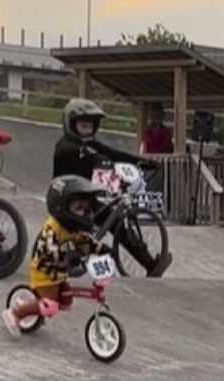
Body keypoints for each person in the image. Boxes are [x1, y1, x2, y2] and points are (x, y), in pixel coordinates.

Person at [52, 98, 171, 277]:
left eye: (90, 127)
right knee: (83, 224)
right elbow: (81, 153)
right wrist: (96, 157)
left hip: (85, 197)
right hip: (64, 198)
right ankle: (71, 260)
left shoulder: (90, 145)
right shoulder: (65, 146)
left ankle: (150, 265)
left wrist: (141, 161)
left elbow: (111, 153)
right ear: (71, 125)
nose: (88, 131)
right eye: (83, 126)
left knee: (117, 225)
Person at [2, 175, 111, 337]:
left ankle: (37, 309)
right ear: (62, 208)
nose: (84, 213)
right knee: (50, 306)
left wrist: (103, 250)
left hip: (59, 273)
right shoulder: (52, 230)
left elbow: (85, 242)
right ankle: (15, 313)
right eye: (79, 208)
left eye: (86, 209)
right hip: (44, 273)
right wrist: (69, 258)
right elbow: (49, 253)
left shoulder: (73, 228)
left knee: (66, 301)